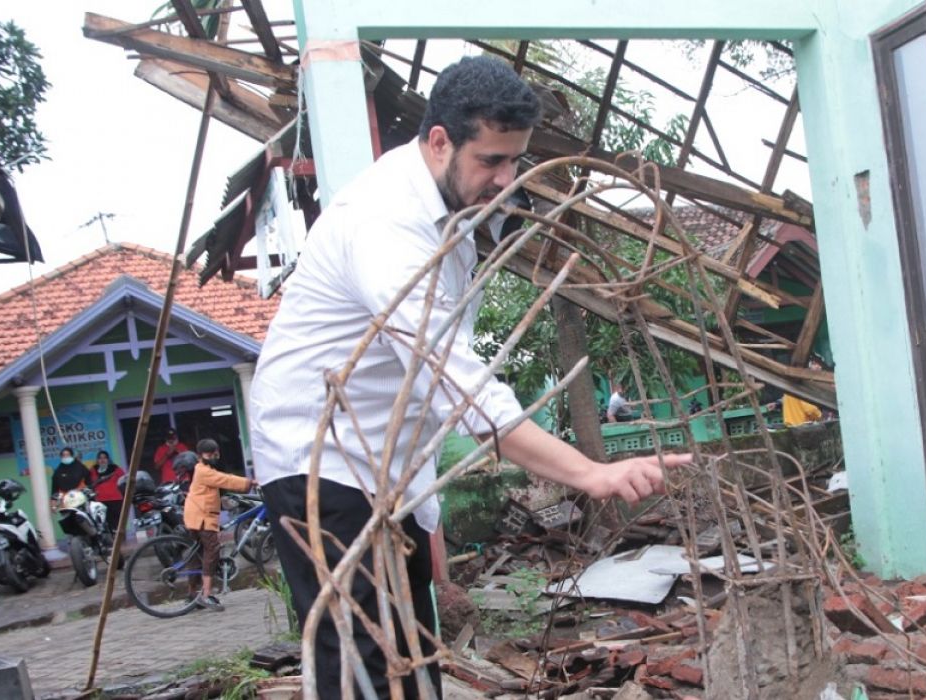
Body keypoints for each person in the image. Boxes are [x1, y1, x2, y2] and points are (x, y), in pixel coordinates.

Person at [249, 55, 691, 700]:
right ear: (438, 142)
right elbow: (456, 385)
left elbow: (424, 382)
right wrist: (589, 473)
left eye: (514, 161)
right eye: (491, 161)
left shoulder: (452, 212)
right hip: (322, 461)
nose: (506, 179)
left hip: (387, 464)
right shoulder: (386, 224)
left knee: (411, 647)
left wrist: (422, 516)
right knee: (364, 665)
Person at [182, 438, 254, 612]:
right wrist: (250, 483)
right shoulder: (203, 471)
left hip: (197, 516)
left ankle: (192, 594)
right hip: (201, 518)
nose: (214, 456)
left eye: (216, 453)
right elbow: (225, 480)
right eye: (210, 453)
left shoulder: (205, 469)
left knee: (197, 555)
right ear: (200, 456)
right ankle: (206, 594)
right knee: (212, 551)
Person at [90, 450, 126, 532]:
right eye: (100, 458)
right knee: (104, 523)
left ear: (108, 459)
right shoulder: (93, 470)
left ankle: (120, 540)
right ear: (97, 460)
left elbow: (124, 480)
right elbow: (90, 483)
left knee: (118, 522)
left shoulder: (115, 468)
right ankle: (110, 541)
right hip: (101, 500)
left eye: (105, 458)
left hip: (116, 499)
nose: (102, 460)